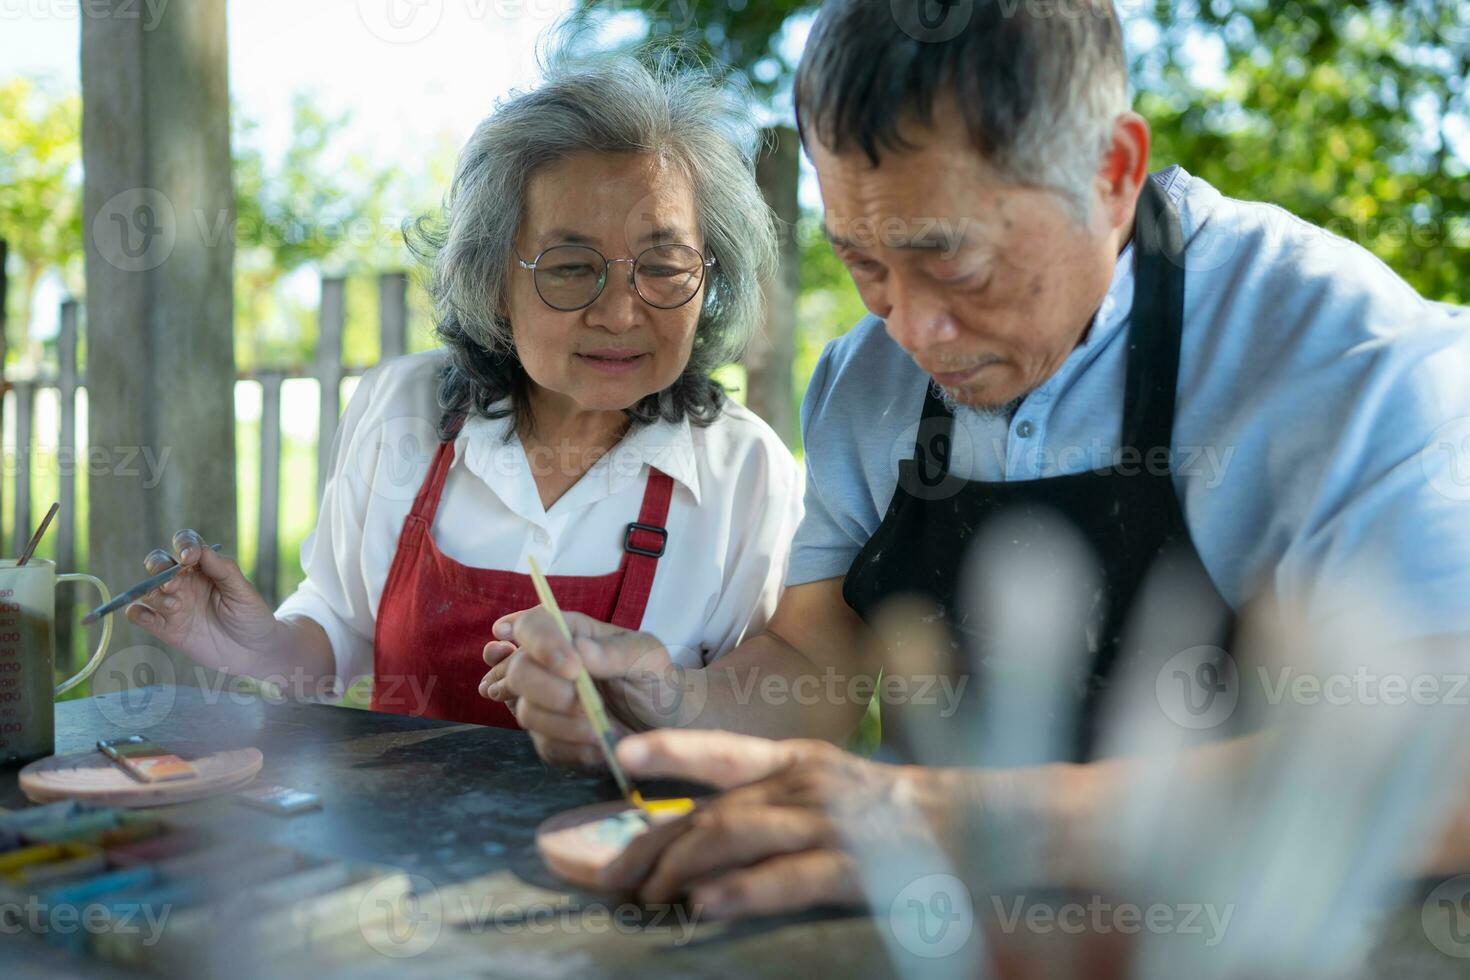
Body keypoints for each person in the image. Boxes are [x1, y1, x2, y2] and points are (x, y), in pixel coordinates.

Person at [488, 1, 1470, 777]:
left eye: (954, 266)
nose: (912, 329)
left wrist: (957, 816)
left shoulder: (1345, 357)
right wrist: (664, 703)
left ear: (1113, 170)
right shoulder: (865, 384)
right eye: (863, 262)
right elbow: (816, 663)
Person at [124, 55, 802, 727]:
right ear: (493, 281)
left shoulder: (746, 473)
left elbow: (748, 725)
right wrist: (260, 647)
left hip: (628, 836)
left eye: (662, 266)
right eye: (570, 269)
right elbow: (336, 632)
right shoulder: (402, 413)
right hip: (399, 833)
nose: (620, 313)